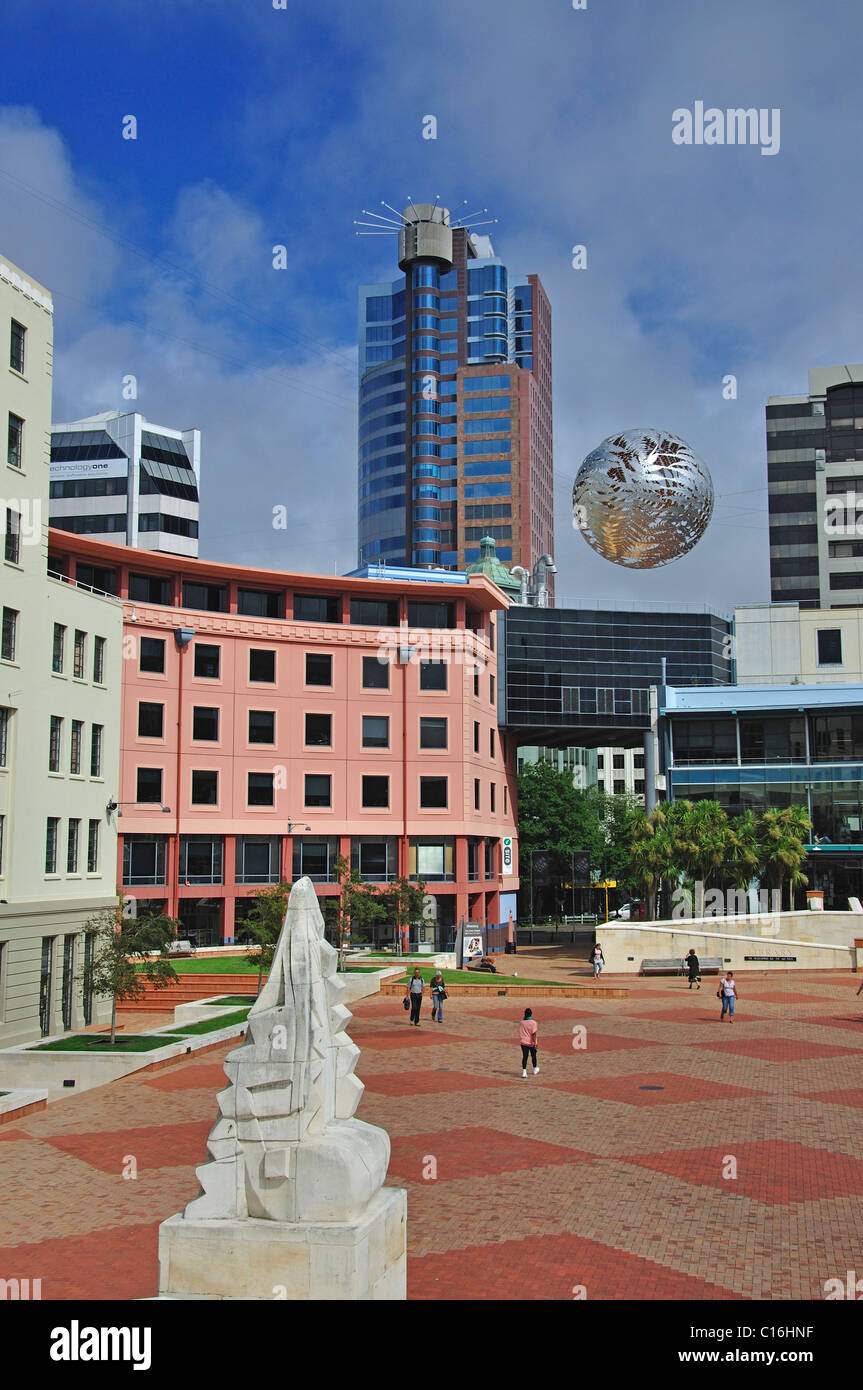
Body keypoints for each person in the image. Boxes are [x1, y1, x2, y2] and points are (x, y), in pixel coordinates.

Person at [519, 1007, 539, 1077]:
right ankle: (535, 1069)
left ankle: (524, 1072)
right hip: (531, 1043)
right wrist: (535, 1043)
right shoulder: (533, 1023)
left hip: (523, 1042)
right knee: (533, 1056)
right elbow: (533, 1034)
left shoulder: (522, 1022)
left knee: (525, 1057)